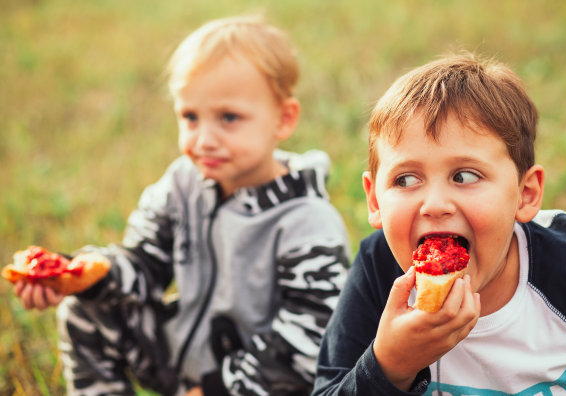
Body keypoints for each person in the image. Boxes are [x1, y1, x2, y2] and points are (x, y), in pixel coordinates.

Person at [14, 15, 351, 396]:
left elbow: (309, 339)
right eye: (190, 117)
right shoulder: (182, 183)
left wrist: (216, 389)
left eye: (229, 117)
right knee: (84, 309)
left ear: (284, 119)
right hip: (177, 357)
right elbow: (144, 263)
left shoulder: (307, 221)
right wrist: (87, 274)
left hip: (257, 381)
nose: (204, 139)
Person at [312, 53, 566, 395]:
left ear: (525, 194)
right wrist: (390, 365)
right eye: (406, 180)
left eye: (465, 175)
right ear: (375, 200)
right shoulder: (379, 270)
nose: (435, 204)